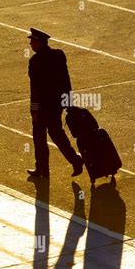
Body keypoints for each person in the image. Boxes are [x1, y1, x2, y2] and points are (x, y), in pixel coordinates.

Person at [27, 28, 83, 178]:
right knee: (57, 135)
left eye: (32, 41)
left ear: (38, 43)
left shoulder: (35, 61)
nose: (31, 44)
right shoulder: (59, 55)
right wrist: (69, 103)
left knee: (40, 139)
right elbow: (66, 80)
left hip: (43, 107)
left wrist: (34, 110)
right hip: (57, 105)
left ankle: (42, 169)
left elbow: (35, 89)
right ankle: (75, 160)